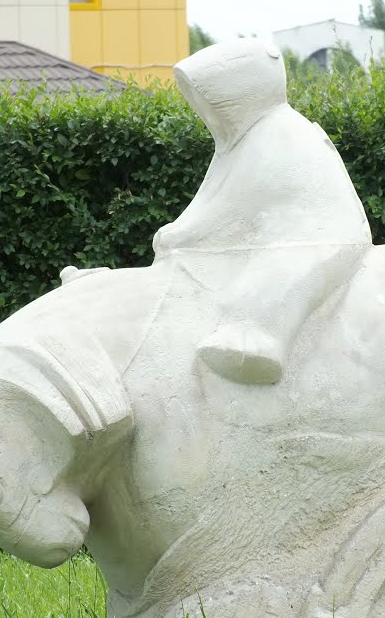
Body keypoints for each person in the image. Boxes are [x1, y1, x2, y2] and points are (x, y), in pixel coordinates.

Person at [153, 39, 372, 384]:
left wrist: (184, 232)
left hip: (320, 234)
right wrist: (181, 229)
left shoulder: (279, 132)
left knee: (281, 273)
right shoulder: (234, 145)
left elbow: (234, 203)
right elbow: (211, 197)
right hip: (281, 233)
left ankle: (259, 339)